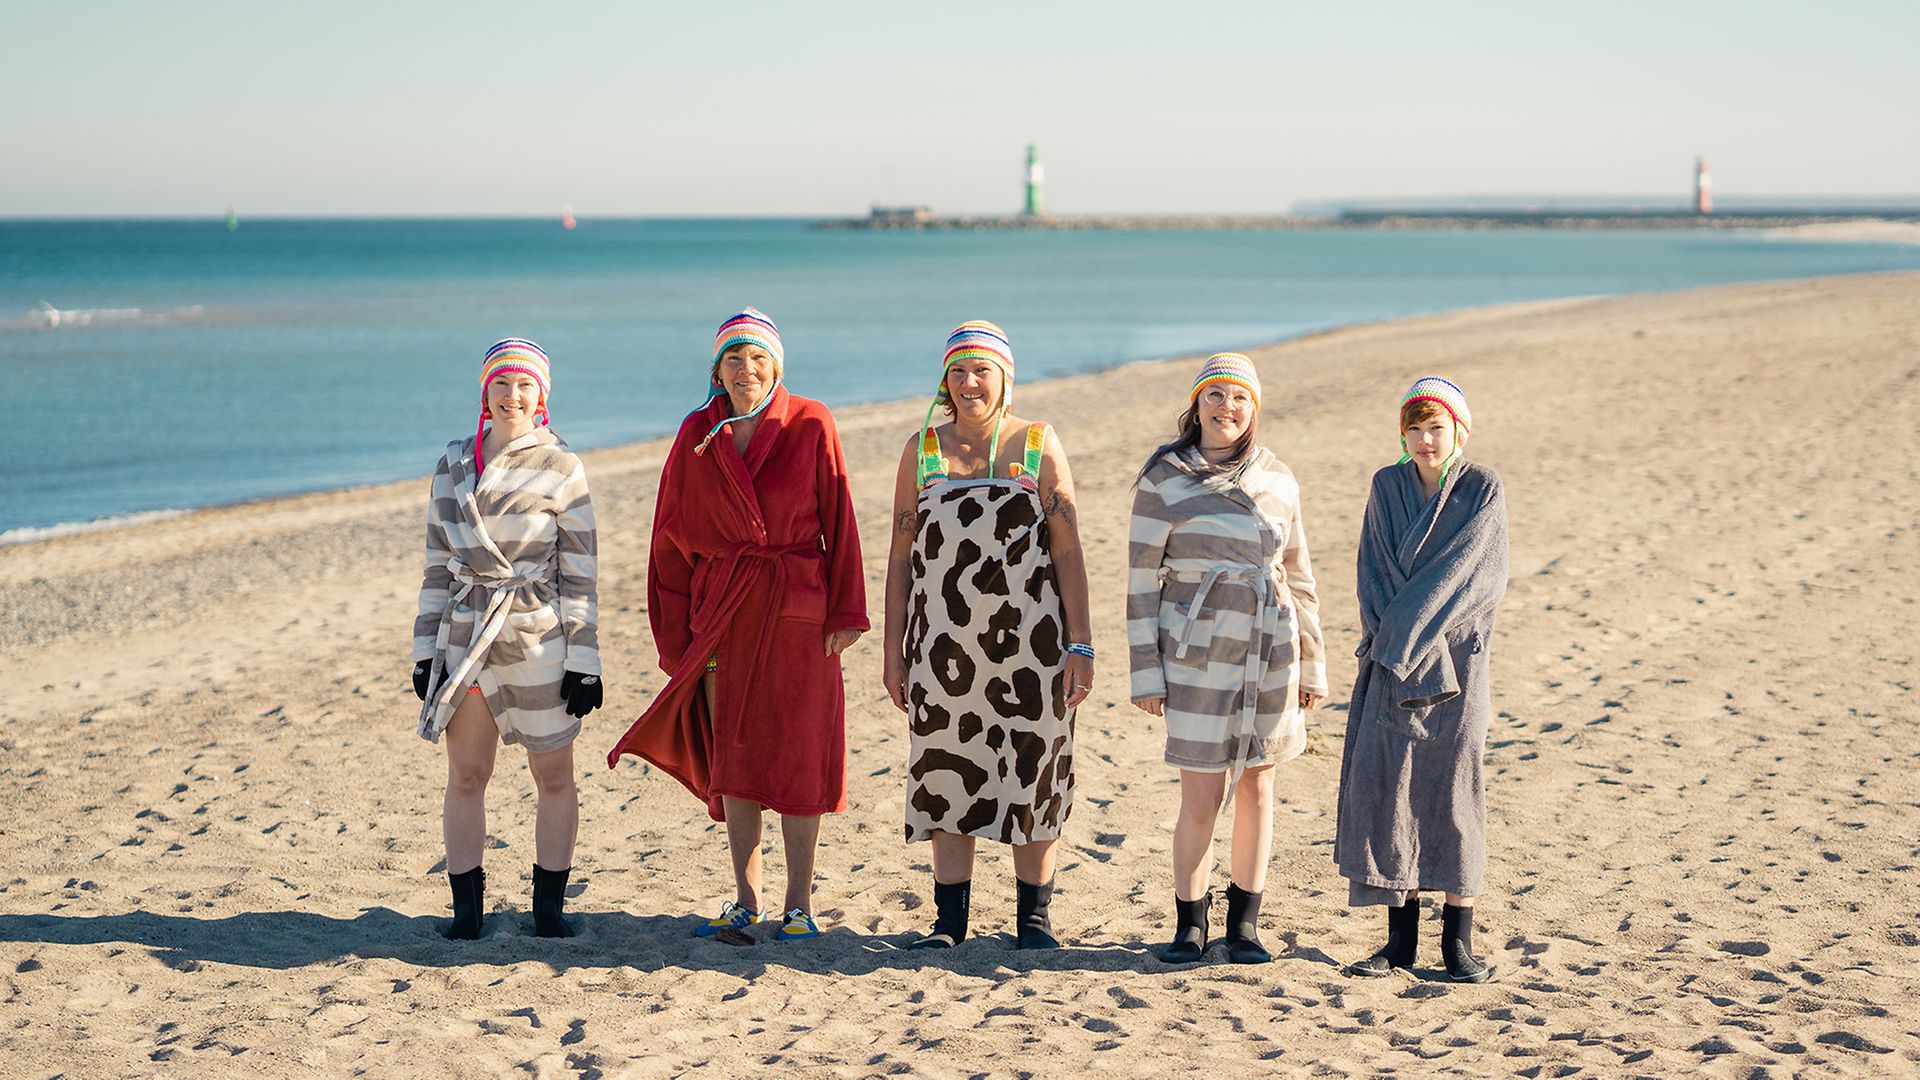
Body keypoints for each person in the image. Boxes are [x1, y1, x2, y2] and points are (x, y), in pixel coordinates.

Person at [608, 308, 868, 945]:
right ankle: (746, 898)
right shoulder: (698, 432)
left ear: (777, 365)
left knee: (802, 754)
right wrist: (677, 636)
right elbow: (668, 540)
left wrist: (845, 612)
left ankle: (800, 904)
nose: (746, 371)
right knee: (737, 751)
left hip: (798, 607)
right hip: (723, 613)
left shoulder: (811, 420)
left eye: (757, 359)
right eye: (733, 360)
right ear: (715, 370)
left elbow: (840, 516)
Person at [883, 320, 1093, 950]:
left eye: (982, 371)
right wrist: (895, 653)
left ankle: (1033, 919)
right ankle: (950, 923)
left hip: (1034, 646)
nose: (969, 383)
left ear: (1005, 377)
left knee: (1036, 771)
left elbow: (1068, 549)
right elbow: (899, 559)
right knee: (948, 770)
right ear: (943, 380)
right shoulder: (921, 450)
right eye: (957, 371)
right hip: (944, 649)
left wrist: (1080, 644)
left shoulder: (1037, 443)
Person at [1126, 353, 1328, 964]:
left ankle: (1244, 926)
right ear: (1197, 405)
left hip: (1271, 648)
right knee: (1201, 793)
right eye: (1215, 395)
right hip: (1196, 654)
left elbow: (1300, 575)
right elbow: (1139, 583)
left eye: (1239, 398)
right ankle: (1190, 924)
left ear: (1254, 408)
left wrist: (1313, 665)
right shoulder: (1164, 480)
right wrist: (1146, 671)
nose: (1226, 408)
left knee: (1259, 788)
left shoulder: (1279, 478)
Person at [413, 338, 603, 940]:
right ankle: (466, 912)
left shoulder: (562, 466)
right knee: (467, 775)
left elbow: (580, 572)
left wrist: (585, 659)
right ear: (485, 392)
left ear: (541, 395)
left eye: (525, 386)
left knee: (553, 778)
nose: (512, 396)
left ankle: (549, 909)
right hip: (467, 637)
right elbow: (438, 564)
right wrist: (424, 651)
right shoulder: (452, 463)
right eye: (502, 384)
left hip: (538, 638)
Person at [1335, 376, 1509, 982]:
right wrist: (1394, 644)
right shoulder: (1386, 485)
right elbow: (1372, 569)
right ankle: (1400, 944)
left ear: (1458, 430)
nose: (1424, 439)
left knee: (1457, 788)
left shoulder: (1483, 488)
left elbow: (1474, 579)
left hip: (1457, 662)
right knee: (1394, 790)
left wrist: (1407, 639)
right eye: (1413, 429)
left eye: (1435, 427)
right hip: (1391, 661)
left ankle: (1457, 942)